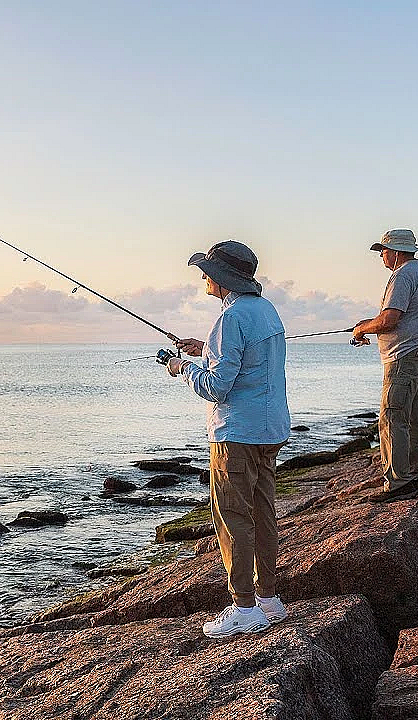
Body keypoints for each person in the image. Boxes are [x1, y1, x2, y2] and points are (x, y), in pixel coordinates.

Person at [164, 240, 292, 638]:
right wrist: (205, 351)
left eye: (207, 272)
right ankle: (268, 598)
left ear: (221, 278)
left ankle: (244, 607)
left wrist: (181, 368)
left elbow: (217, 387)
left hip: (235, 433)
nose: (203, 277)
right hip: (269, 429)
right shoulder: (265, 310)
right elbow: (245, 362)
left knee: (232, 517)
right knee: (262, 512)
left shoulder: (230, 317)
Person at [351, 229, 418, 502]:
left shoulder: (402, 276)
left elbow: (390, 319)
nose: (382, 256)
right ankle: (413, 474)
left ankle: (399, 482)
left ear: (397, 252)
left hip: (404, 356)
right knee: (414, 416)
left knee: (392, 417)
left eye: (384, 251)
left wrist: (361, 329)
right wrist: (367, 327)